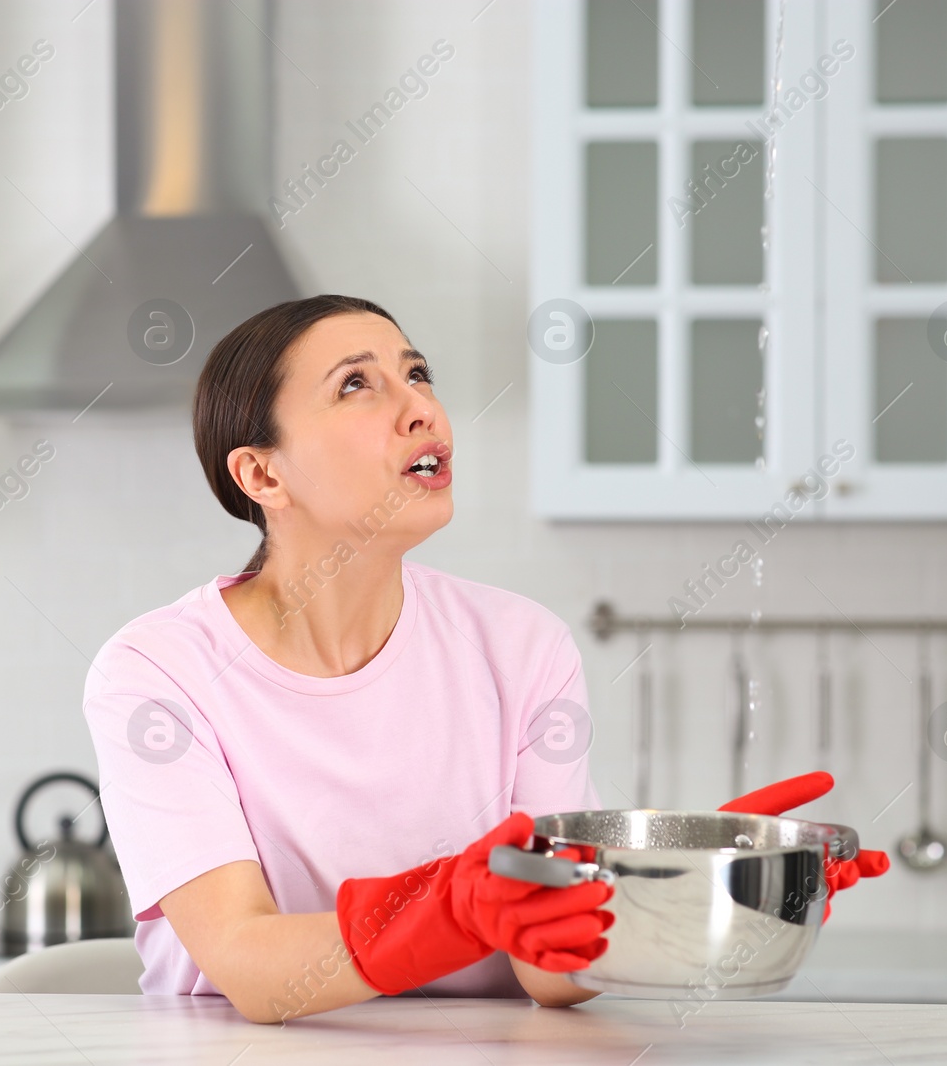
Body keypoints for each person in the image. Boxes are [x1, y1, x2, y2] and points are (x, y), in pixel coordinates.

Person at [81, 295, 885, 1024]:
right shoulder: (160, 672)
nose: (420, 408)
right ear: (262, 472)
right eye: (357, 385)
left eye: (417, 373)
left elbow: (549, 968)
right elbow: (249, 965)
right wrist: (450, 913)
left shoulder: (521, 646)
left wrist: (691, 882)